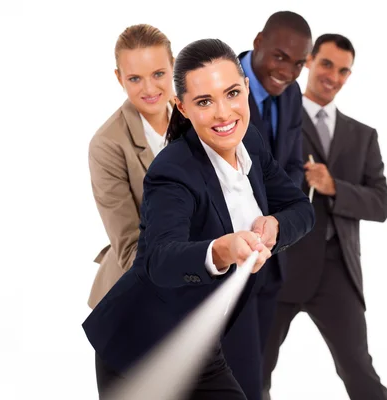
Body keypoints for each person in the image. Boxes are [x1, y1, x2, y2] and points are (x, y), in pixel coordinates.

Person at [82, 38, 315, 400]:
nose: (224, 113)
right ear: (183, 107)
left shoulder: (250, 142)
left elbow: (301, 207)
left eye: (233, 93)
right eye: (205, 101)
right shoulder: (173, 170)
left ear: (246, 90)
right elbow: (159, 258)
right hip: (141, 344)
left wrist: (276, 226)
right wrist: (220, 251)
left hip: (202, 342)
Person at [262, 34, 387, 400]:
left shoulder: (363, 136)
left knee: (359, 370)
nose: (333, 76)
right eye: (326, 64)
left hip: (337, 271)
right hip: (280, 263)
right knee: (255, 369)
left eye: (343, 70)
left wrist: (334, 186)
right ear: (308, 62)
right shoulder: (275, 119)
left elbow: (381, 204)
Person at [220, 11, 313, 400]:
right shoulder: (219, 89)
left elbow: (293, 164)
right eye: (279, 57)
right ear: (258, 42)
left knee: (257, 375)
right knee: (224, 375)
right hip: (226, 259)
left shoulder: (291, 94)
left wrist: (278, 219)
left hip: (272, 258)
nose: (288, 71)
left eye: (298, 64)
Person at [87, 24, 175, 309]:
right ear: (119, 78)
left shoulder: (197, 119)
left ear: (174, 66)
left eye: (159, 74)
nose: (149, 89)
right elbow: (129, 249)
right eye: (135, 78)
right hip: (132, 298)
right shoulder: (107, 144)